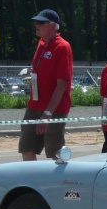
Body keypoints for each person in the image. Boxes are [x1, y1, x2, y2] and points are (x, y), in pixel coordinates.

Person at [19, 9, 73, 160]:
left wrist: (48, 113)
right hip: (34, 105)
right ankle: (32, 180)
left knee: (55, 152)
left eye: (41, 22)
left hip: (54, 109)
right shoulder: (41, 43)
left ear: (53, 26)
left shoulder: (62, 47)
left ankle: (58, 181)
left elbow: (62, 84)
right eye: (36, 21)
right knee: (26, 146)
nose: (36, 24)